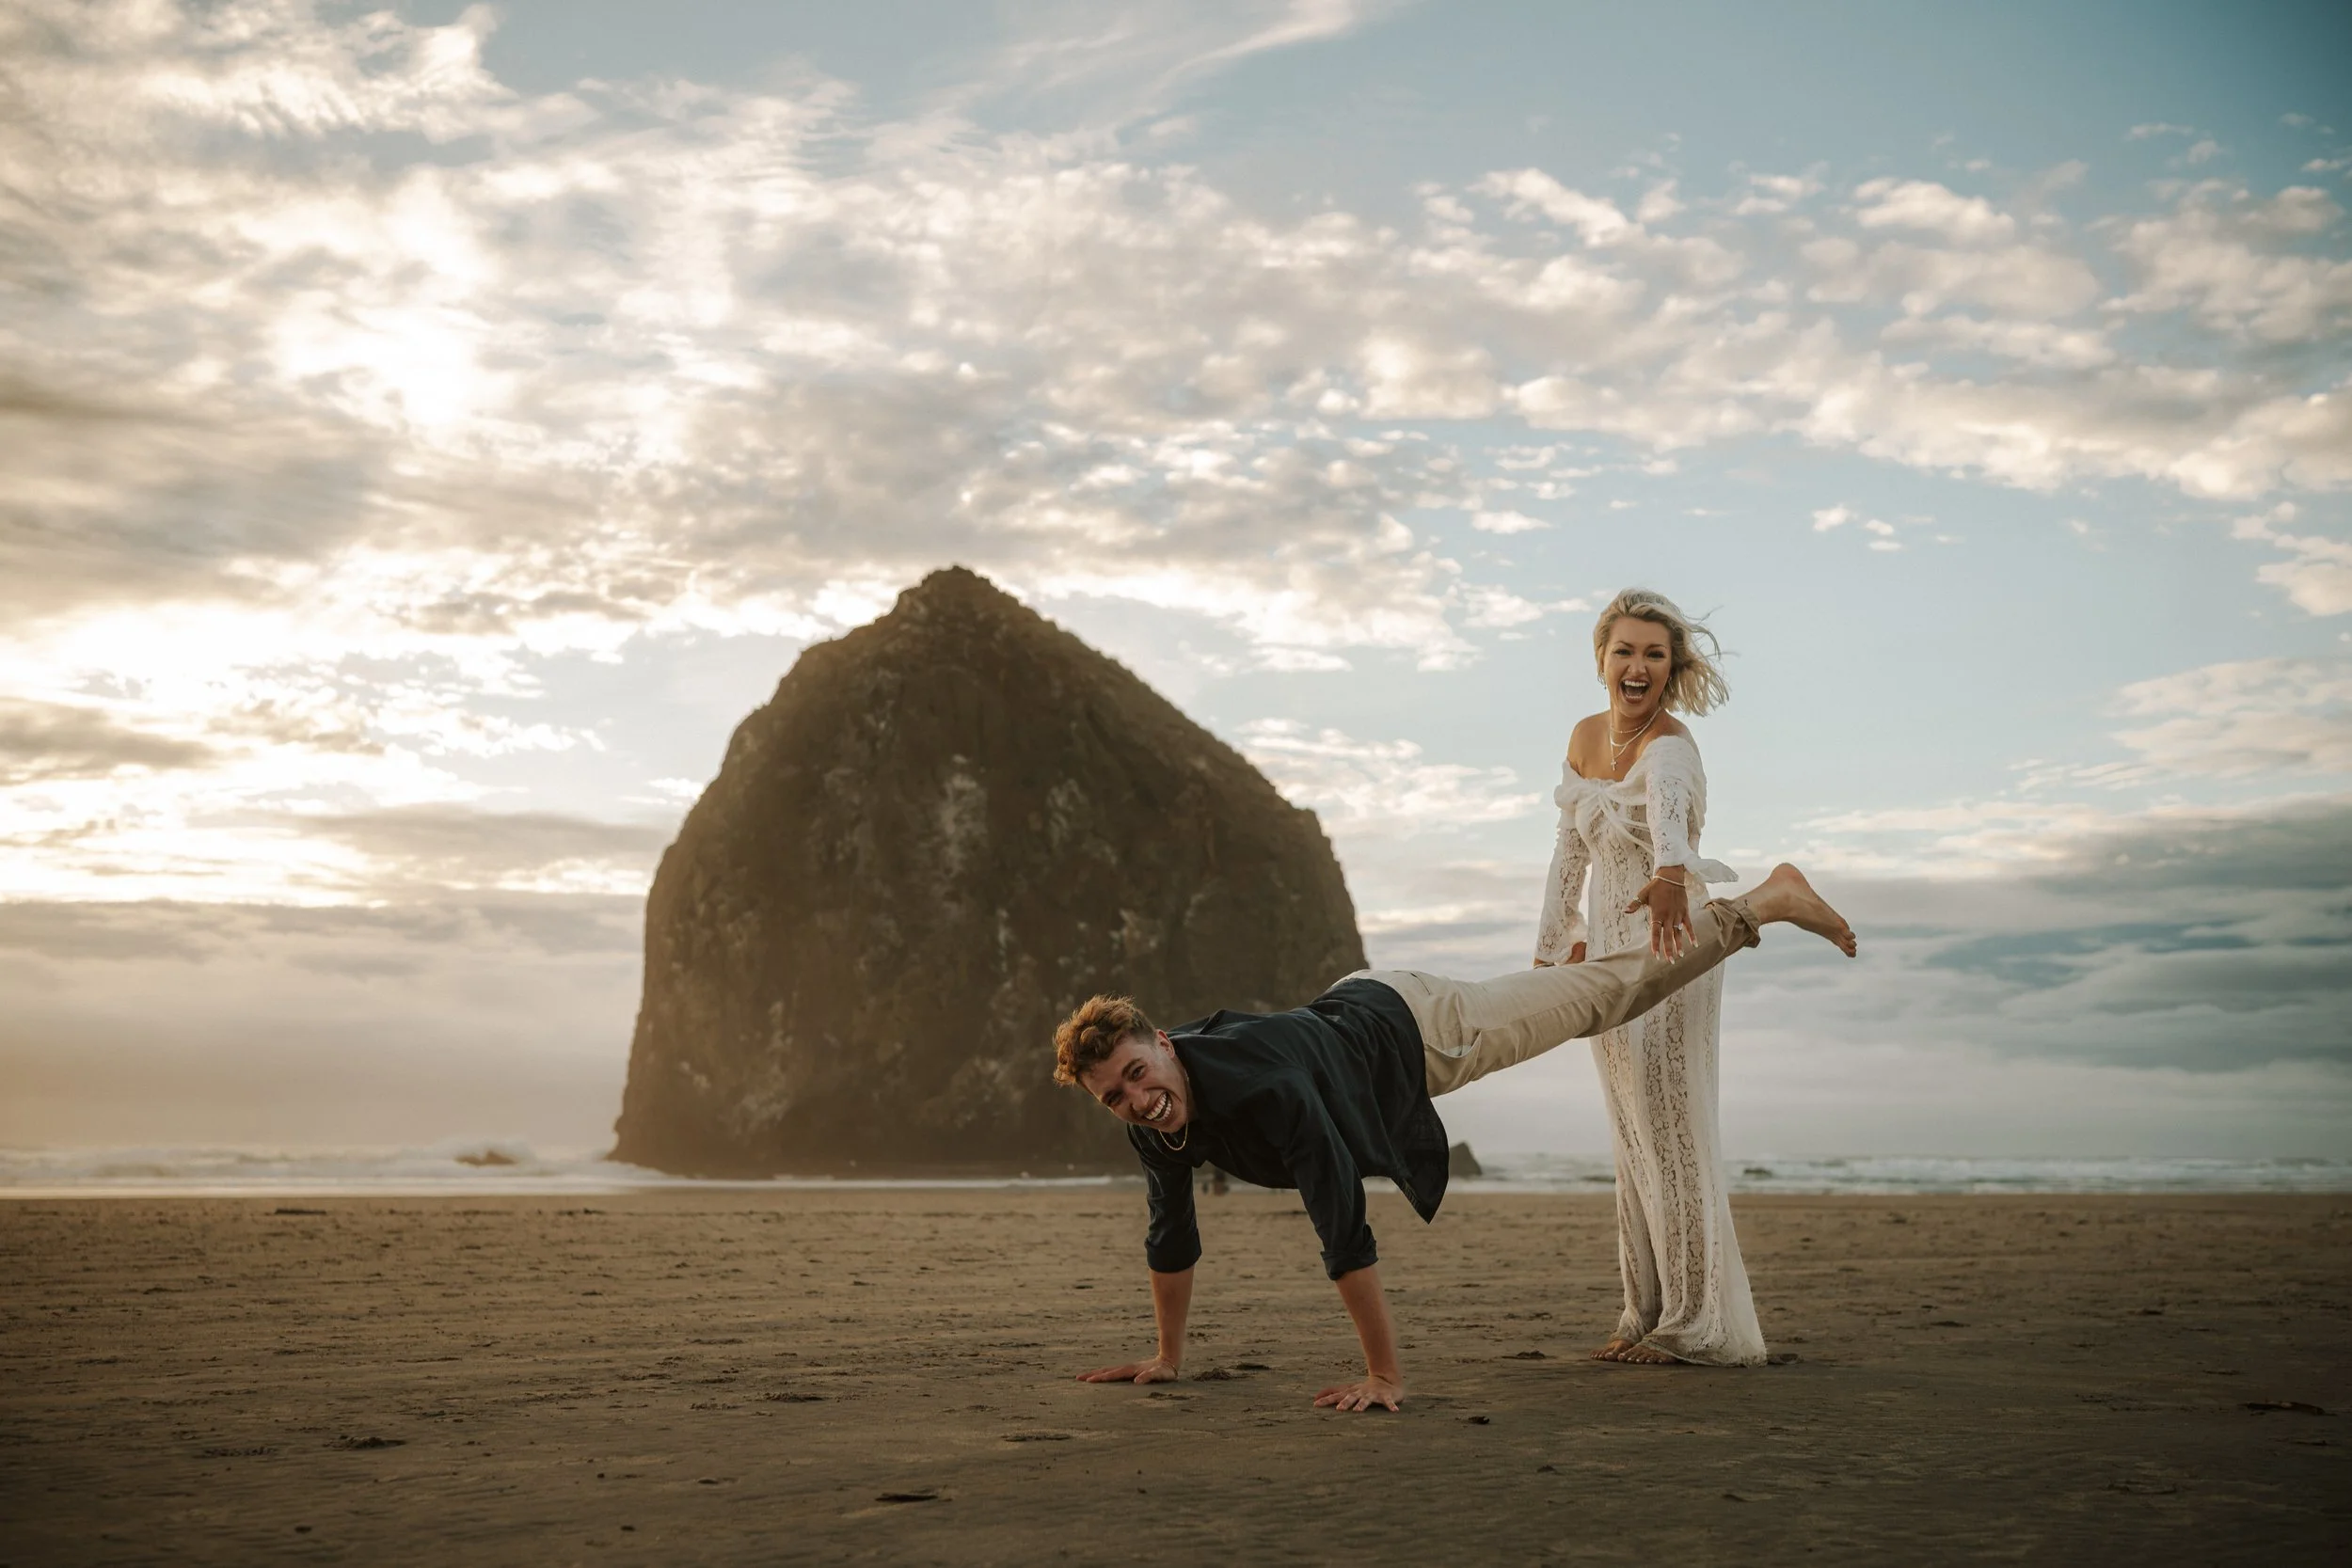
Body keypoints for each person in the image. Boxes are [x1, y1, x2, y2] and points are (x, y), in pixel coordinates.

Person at [1057, 864, 1856, 1412]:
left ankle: (1764, 902)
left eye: (1136, 1070)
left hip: (1423, 1031)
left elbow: (1340, 1220)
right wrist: (1166, 1357)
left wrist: (1383, 1374)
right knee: (1570, 993)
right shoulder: (1153, 1120)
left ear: (1163, 1040)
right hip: (1355, 1012)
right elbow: (1171, 1233)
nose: (1135, 1098)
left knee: (1602, 999)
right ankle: (1560, 968)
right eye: (1113, 1095)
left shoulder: (1266, 1090)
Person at [1534, 588, 1760, 1366]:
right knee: (1630, 1130)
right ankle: (1644, 1307)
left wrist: (1669, 869)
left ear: (1672, 668)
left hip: (1668, 945)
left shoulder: (1671, 747)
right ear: (1601, 658)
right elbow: (1570, 845)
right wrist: (1554, 942)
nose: (1637, 666)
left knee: (1671, 1127)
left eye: (1654, 654)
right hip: (1606, 951)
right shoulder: (1584, 735)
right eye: (1624, 651)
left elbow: (1669, 830)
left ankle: (1693, 1323)